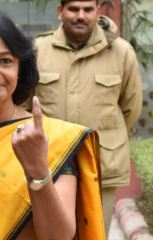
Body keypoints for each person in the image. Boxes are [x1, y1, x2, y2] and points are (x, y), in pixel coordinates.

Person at [0, 13, 105, 239]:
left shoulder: (54, 139)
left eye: (5, 61)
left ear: (20, 69)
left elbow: (58, 236)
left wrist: (37, 168)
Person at [32, 0, 143, 235]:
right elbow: (24, 105)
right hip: (50, 165)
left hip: (103, 165)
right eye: (73, 9)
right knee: (51, 234)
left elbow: (130, 108)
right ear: (60, 12)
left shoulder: (121, 52)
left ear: (97, 12)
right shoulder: (38, 50)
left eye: (88, 9)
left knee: (95, 233)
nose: (80, 15)